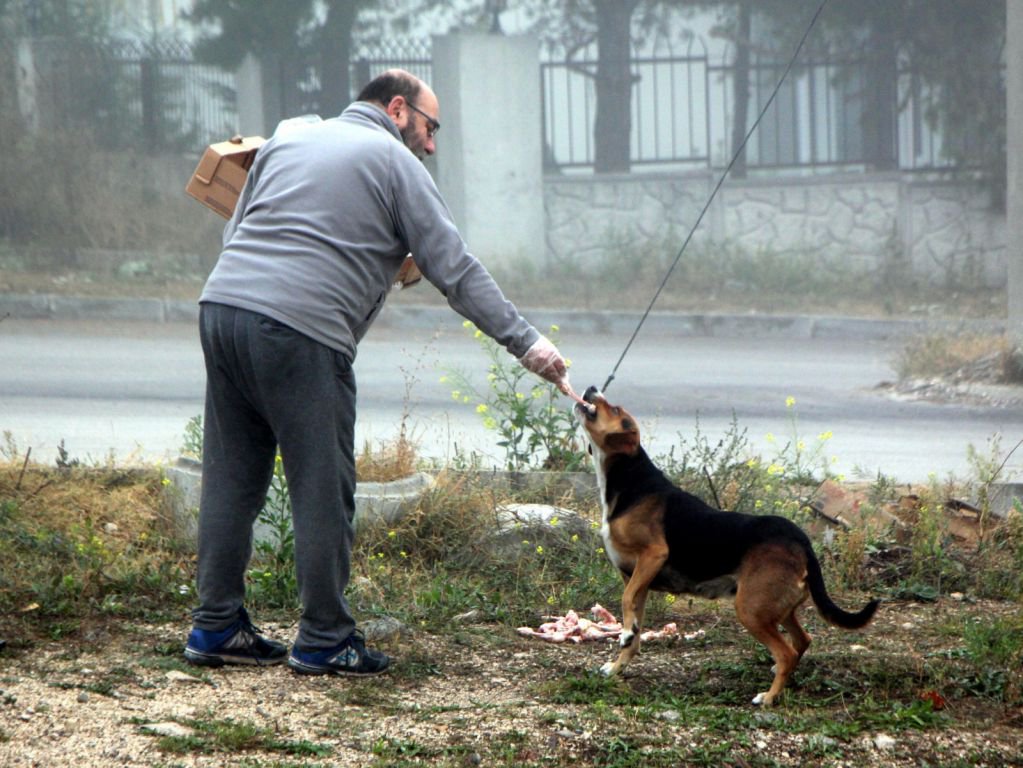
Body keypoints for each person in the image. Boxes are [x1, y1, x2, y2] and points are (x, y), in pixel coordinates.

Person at [183, 69, 575, 676]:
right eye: (430, 125)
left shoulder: (289, 136)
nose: (431, 143)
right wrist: (529, 345)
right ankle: (323, 637)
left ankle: (214, 627)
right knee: (321, 488)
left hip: (222, 309)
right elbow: (457, 270)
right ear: (398, 109)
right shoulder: (394, 163)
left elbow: (238, 231)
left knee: (231, 476)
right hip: (301, 331)